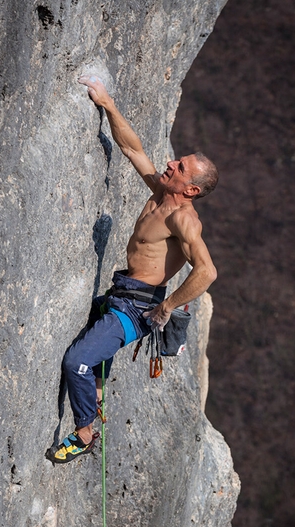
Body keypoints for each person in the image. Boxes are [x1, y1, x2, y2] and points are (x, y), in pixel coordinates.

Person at [48, 75, 218, 464]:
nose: (171, 162)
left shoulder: (183, 219)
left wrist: (168, 306)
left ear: (191, 189)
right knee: (91, 334)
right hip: (120, 294)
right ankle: (98, 389)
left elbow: (207, 271)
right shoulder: (160, 191)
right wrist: (106, 103)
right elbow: (131, 147)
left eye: (180, 167)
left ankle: (85, 432)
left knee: (77, 361)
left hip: (135, 310)